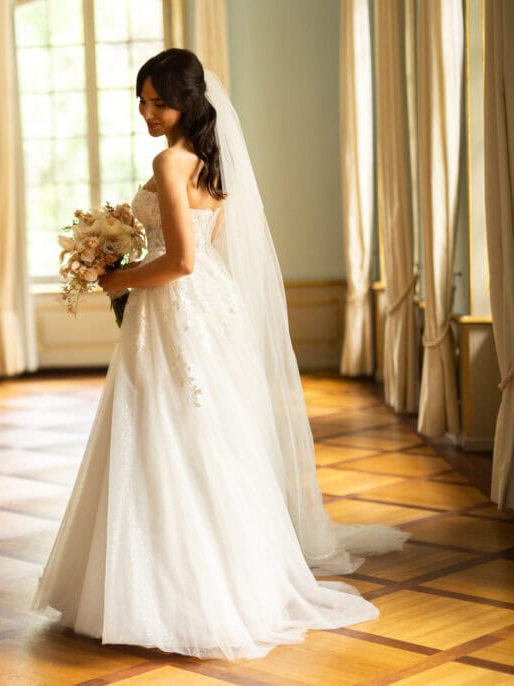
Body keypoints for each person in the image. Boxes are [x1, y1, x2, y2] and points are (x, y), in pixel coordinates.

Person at [30, 48, 412, 661]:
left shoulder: (169, 160)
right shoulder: (211, 160)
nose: (148, 112)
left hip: (175, 308)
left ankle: (168, 594)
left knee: (164, 432)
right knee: (207, 438)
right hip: (212, 308)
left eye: (159, 101)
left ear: (187, 101)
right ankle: (236, 582)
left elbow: (179, 261)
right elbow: (203, 251)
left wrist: (119, 279)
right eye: (143, 101)